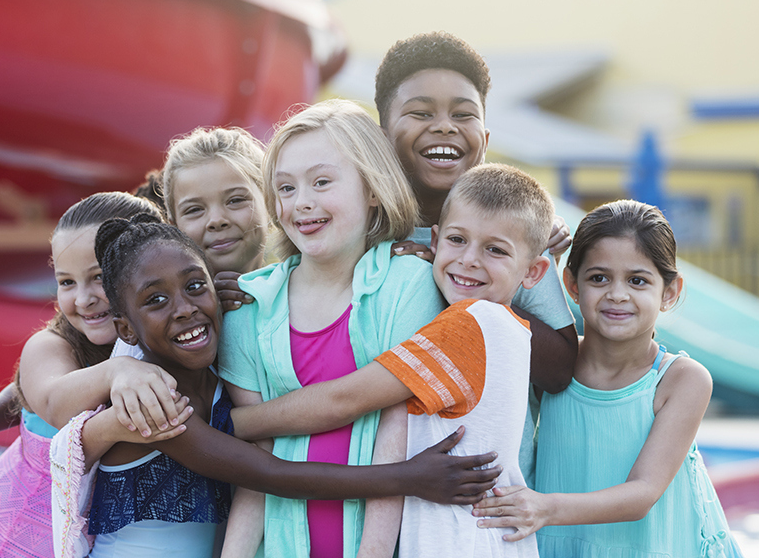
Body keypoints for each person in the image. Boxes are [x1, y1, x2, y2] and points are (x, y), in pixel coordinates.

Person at [51, 215, 502, 558]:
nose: (185, 308)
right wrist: (407, 478)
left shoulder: (221, 371)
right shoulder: (151, 405)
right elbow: (271, 475)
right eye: (156, 300)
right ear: (126, 330)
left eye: (194, 286)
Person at [231, 163, 555, 557]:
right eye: (457, 240)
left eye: (495, 250)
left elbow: (345, 400)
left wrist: (229, 424)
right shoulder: (513, 331)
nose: (469, 260)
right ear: (433, 240)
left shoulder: (471, 325)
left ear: (534, 272)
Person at [216, 99, 449, 557]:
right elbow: (256, 467)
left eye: (322, 182)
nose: (301, 203)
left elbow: (395, 428)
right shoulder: (249, 306)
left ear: (373, 189)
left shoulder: (409, 285)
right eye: (285, 188)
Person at [472, 200, 744, 558]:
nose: (617, 294)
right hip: (558, 543)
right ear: (571, 284)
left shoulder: (680, 380)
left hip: (655, 547)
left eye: (637, 280)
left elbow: (643, 493)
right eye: (598, 278)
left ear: (670, 292)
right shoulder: (550, 365)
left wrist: (544, 507)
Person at [0, 192, 183, 558]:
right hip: (21, 524)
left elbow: (20, 394)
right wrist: (118, 370)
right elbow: (51, 401)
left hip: (86, 528)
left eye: (98, 277)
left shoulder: (145, 339)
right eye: (66, 282)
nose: (83, 298)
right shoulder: (49, 345)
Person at [373, 30, 578, 488]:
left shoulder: (520, 240)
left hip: (487, 493)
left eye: (462, 114)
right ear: (383, 135)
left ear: (483, 138)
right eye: (421, 112)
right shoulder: (366, 235)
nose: (444, 126)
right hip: (378, 484)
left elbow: (561, 366)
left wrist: (472, 295)